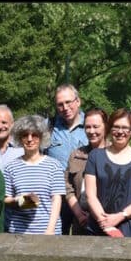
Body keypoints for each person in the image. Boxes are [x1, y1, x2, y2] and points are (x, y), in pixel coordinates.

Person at [84, 108, 131, 252]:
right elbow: (90, 195)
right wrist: (106, 222)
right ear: (109, 128)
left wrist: (120, 216)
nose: (120, 132)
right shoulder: (95, 156)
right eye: (116, 127)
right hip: (99, 227)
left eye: (125, 128)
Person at [2, 115, 66, 235]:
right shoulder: (11, 167)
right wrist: (18, 201)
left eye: (34, 135)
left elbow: (56, 199)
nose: (30, 139)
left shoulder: (54, 166)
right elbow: (6, 199)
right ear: (19, 138)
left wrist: (50, 231)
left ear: (42, 137)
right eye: (25, 135)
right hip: (19, 233)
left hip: (48, 232)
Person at [46, 84, 88, 235]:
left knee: (84, 243)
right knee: (56, 242)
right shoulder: (48, 127)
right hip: (57, 196)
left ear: (78, 101)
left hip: (83, 195)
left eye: (68, 102)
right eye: (60, 104)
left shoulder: (92, 125)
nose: (65, 107)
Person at [64, 107, 107, 235]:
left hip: (107, 220)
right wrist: (78, 213)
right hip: (81, 221)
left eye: (96, 126)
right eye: (87, 127)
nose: (91, 131)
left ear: (105, 126)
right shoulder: (76, 155)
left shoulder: (115, 155)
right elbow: (67, 187)